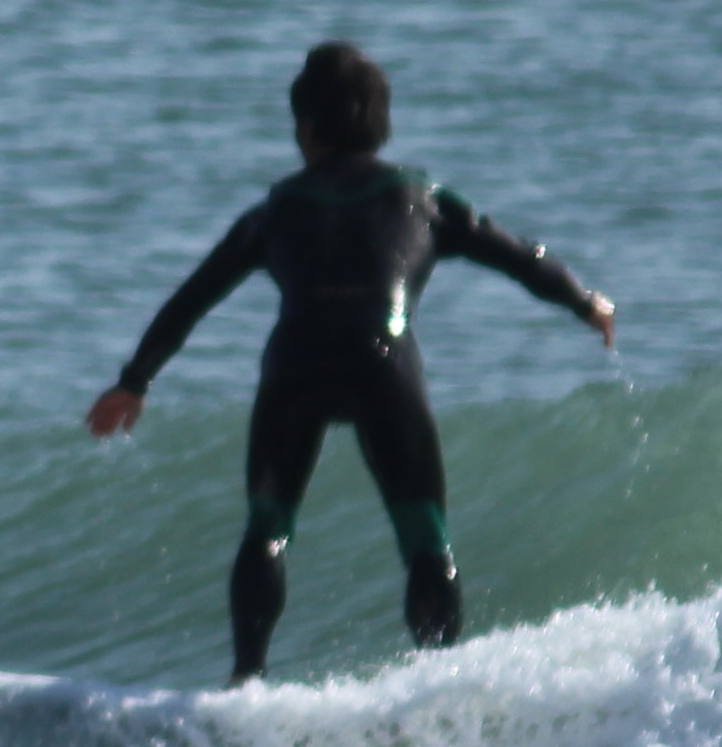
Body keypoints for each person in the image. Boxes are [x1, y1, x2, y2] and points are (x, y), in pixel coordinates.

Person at [87, 43, 617, 683]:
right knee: (425, 537)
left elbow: (192, 298)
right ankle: (439, 688)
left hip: (296, 364)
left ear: (307, 127)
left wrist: (134, 382)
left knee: (268, 527)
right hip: (384, 364)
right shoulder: (422, 198)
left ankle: (246, 681)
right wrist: (586, 304)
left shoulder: (275, 210)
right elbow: (520, 257)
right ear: (382, 126)